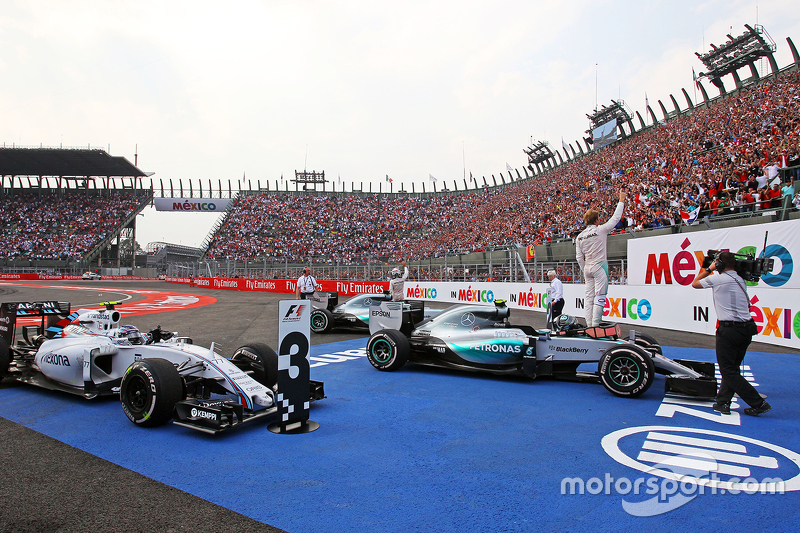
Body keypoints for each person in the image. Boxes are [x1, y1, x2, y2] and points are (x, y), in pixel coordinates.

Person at [691, 251, 772, 416]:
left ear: (719, 265)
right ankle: (723, 403)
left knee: (728, 370)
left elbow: (695, 283)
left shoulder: (719, 278)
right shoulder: (740, 279)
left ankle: (758, 402)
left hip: (730, 330)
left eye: (716, 263)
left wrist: (709, 268)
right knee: (732, 368)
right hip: (746, 329)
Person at [575, 190, 625, 327]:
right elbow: (615, 218)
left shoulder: (579, 236)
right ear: (596, 220)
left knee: (589, 298)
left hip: (587, 268)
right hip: (599, 266)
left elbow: (579, 257)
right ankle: (595, 326)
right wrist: (621, 200)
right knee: (600, 296)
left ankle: (589, 324)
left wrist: (584, 268)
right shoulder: (600, 229)